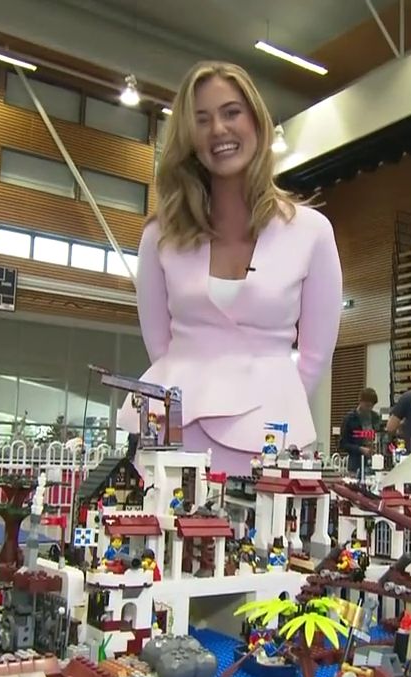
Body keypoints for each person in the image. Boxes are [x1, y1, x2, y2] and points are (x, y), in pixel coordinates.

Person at [121, 61, 343, 475]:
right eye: (202, 119)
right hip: (177, 438)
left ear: (256, 121)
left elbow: (316, 354)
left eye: (231, 112)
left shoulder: (311, 231)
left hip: (272, 438)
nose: (218, 129)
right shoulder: (159, 236)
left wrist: (277, 402)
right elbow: (159, 346)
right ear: (188, 137)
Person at [339, 387, 380, 477]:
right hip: (355, 466)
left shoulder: (376, 418)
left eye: (371, 406)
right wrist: (360, 449)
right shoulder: (349, 419)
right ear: (360, 401)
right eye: (367, 405)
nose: (369, 409)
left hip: (374, 464)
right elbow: (343, 444)